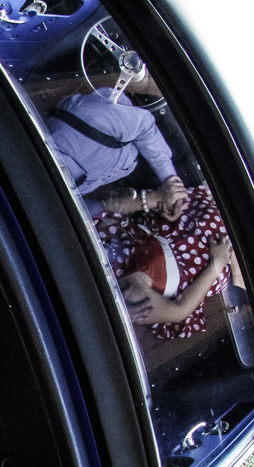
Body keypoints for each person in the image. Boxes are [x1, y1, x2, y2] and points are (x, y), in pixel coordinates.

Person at [93, 183, 240, 339]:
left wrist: (155, 199)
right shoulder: (133, 295)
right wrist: (215, 266)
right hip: (205, 265)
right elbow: (179, 311)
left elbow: (102, 207)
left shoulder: (103, 233)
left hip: (175, 231)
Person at [48, 88, 188, 219]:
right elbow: (97, 207)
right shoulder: (56, 197)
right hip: (132, 176)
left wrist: (170, 180)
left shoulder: (86, 118)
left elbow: (144, 126)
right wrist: (156, 198)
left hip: (151, 125)